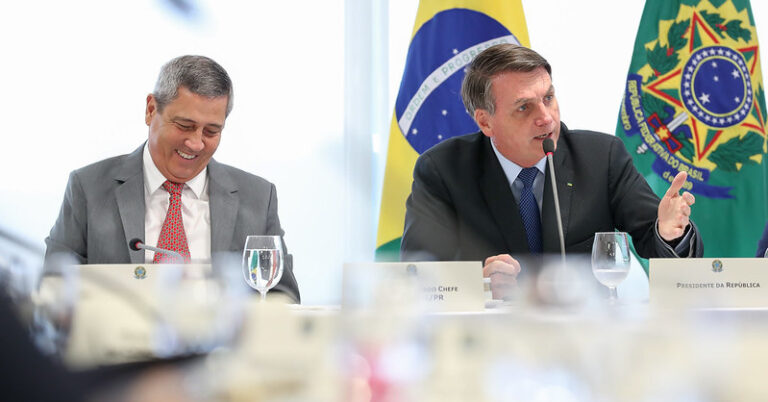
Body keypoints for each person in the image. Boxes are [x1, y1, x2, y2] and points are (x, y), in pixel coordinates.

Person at [400, 44, 703, 298]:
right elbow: (418, 274)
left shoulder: (601, 157)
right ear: (485, 122)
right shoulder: (443, 171)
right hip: (488, 338)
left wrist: (669, 232)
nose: (546, 118)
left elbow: (656, 240)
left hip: (583, 335)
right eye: (524, 107)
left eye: (548, 98)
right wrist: (478, 283)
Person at [45, 55, 299, 302]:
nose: (196, 143)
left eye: (211, 131)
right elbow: (52, 291)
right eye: (184, 126)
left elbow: (283, 299)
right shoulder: (88, 188)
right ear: (151, 110)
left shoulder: (257, 198)